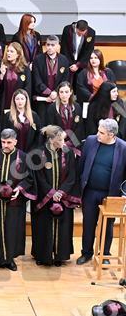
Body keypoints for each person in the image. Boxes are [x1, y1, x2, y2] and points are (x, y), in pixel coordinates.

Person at [0, 129, 34, 271]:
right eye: (3, 142)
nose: (5, 145)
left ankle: (9, 259)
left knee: (12, 229)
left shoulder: (23, 157)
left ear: (15, 141)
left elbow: (29, 179)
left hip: (14, 202)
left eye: (9, 142)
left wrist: (20, 189)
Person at [76, 118, 126, 265]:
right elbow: (81, 164)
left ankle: (104, 254)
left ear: (111, 135)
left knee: (107, 225)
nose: (98, 134)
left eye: (102, 133)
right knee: (88, 223)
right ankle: (86, 253)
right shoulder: (90, 141)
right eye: (98, 131)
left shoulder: (123, 148)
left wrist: (124, 194)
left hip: (111, 194)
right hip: (90, 192)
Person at [33, 125, 80, 267]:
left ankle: (60, 255)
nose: (63, 143)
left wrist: (61, 192)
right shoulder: (39, 153)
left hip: (63, 198)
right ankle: (43, 255)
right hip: (45, 197)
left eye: (64, 139)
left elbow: (72, 175)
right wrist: (51, 193)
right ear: (51, 139)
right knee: (43, 227)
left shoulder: (68, 153)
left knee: (63, 227)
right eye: (60, 140)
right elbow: (39, 177)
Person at [32, 35, 70, 119]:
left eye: (52, 45)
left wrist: (56, 92)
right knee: (42, 123)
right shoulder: (38, 59)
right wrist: (49, 93)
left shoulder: (64, 60)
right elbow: (36, 79)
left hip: (58, 98)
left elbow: (65, 80)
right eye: (48, 45)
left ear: (58, 46)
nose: (49, 47)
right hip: (42, 99)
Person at [45, 81, 85, 156]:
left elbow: (79, 128)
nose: (64, 95)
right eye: (61, 92)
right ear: (58, 93)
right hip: (58, 144)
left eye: (66, 92)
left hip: (74, 143)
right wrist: (61, 143)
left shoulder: (77, 107)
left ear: (71, 92)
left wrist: (70, 143)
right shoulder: (52, 108)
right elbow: (51, 128)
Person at [0, 41, 31, 111]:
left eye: (11, 51)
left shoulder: (25, 69)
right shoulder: (1, 66)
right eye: (8, 51)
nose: (8, 53)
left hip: (19, 104)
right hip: (4, 103)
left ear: (18, 54)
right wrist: (1, 75)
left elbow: (28, 87)